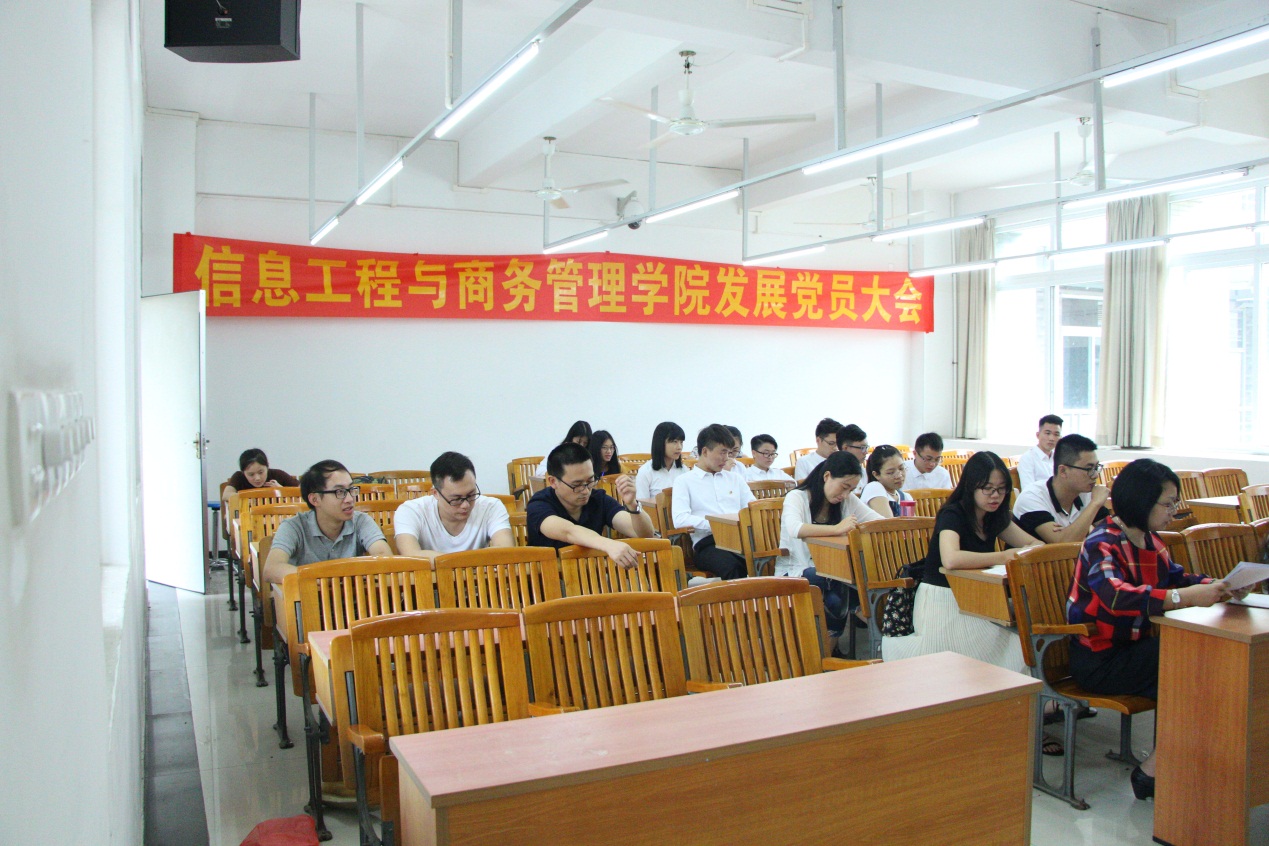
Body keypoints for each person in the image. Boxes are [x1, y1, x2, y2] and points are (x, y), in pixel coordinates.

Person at [1067, 458, 1236, 799]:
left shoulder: (1150, 541)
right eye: (1168, 504)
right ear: (1141, 501)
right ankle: (1158, 768)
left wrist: (1219, 585)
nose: (1173, 511)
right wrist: (1184, 597)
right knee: (1190, 662)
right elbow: (1114, 595)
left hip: (1133, 651)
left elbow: (1177, 578)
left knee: (1200, 665)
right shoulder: (1102, 541)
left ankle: (1170, 765)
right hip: (1100, 659)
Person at [881, 451, 1042, 673]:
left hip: (976, 597)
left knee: (1023, 642)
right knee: (1016, 647)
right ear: (971, 486)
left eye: (1001, 489)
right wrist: (1003, 557)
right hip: (944, 601)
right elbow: (951, 559)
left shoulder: (995, 515)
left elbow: (1035, 545)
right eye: (988, 489)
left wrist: (1028, 551)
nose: (995, 496)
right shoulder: (953, 513)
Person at [777, 452, 884, 637]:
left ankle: (836, 644)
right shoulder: (797, 497)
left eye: (851, 490)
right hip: (796, 570)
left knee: (847, 583)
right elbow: (795, 529)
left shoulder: (847, 500)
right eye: (844, 487)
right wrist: (836, 529)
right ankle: (875, 628)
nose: (845, 494)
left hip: (834, 571)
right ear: (827, 476)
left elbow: (878, 522)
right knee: (840, 581)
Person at [526, 441, 656, 567]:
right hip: (549, 575)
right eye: (577, 485)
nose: (586, 490)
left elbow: (644, 535)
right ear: (553, 482)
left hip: (591, 574)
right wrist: (609, 544)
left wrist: (633, 505)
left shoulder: (598, 499)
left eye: (590, 481)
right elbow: (569, 531)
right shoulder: (539, 504)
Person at [262, 460, 392, 585]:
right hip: (310, 598)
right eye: (339, 492)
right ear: (315, 499)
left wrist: (337, 576)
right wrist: (325, 578)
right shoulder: (293, 527)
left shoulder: (361, 521)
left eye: (351, 489)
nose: (349, 499)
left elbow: (385, 558)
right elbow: (272, 569)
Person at [672, 424, 755, 580]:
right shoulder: (684, 481)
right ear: (705, 451)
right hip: (708, 544)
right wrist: (717, 525)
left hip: (741, 539)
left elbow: (752, 509)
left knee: (766, 559)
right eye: (722, 452)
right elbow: (680, 519)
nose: (727, 458)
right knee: (732, 566)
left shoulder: (735, 479)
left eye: (729, 453)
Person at [393, 452, 513, 557]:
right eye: (456, 499)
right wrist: (466, 562)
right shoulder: (411, 511)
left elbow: (505, 551)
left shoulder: (491, 507)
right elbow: (411, 555)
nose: (465, 505)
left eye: (471, 495)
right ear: (436, 493)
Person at [1013, 434, 1111, 544]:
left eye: (1096, 467)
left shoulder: (1086, 494)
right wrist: (1095, 504)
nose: (1095, 475)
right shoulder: (1032, 497)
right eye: (1089, 469)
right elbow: (1063, 544)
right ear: (1063, 471)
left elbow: (1112, 533)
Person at [635, 421, 687, 499]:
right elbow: (642, 504)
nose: (679, 447)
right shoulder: (645, 472)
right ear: (660, 443)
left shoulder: (684, 470)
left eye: (681, 442)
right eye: (674, 442)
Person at [861, 445, 913, 517]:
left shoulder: (906, 497)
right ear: (876, 475)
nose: (899, 475)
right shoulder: (874, 488)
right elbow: (888, 522)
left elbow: (912, 523)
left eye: (901, 468)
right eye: (890, 472)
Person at [1018, 414, 1062, 488]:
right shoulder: (1028, 459)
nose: (1052, 438)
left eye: (1056, 434)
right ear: (1038, 435)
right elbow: (1028, 489)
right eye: (1047, 433)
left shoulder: (1059, 458)